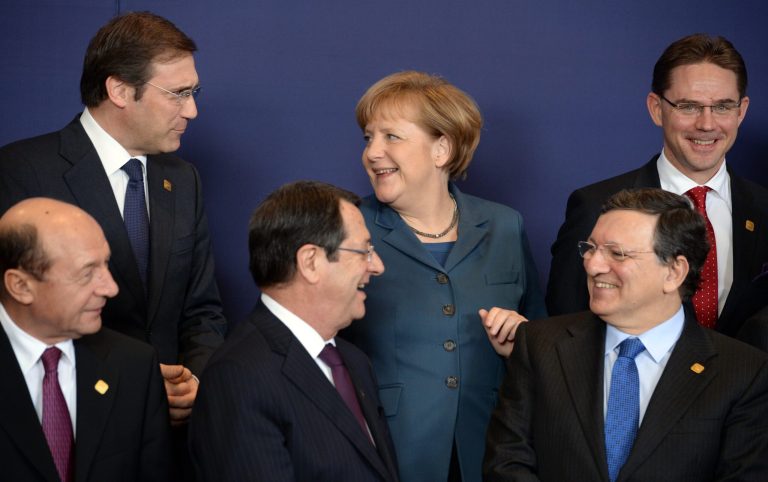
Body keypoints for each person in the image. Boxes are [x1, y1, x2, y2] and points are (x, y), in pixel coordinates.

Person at [0, 12, 226, 433]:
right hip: (71, 427)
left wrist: (195, 380)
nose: (192, 110)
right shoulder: (21, 172)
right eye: (178, 93)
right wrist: (132, 381)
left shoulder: (182, 179)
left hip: (171, 439)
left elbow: (203, 310)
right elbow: (16, 319)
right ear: (120, 90)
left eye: (194, 91)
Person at [341, 71, 547, 482]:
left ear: (441, 149)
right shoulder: (348, 227)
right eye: (368, 138)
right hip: (388, 452)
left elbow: (544, 339)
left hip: (493, 450)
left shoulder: (505, 225)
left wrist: (522, 342)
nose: (372, 152)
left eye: (391, 137)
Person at [485, 188, 768, 481]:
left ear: (673, 272)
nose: (593, 265)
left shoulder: (743, 373)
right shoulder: (540, 345)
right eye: (591, 248)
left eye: (617, 253)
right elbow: (507, 462)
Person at [546, 34, 768, 340]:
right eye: (689, 107)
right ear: (656, 108)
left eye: (722, 107)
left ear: (741, 111)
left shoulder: (763, 208)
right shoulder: (597, 205)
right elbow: (565, 332)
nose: (706, 124)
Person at [189, 181, 399, 481]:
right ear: (310, 262)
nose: (377, 266)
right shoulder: (238, 377)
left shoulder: (354, 362)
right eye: (364, 251)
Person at [0, 198, 172, 481]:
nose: (111, 288)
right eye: (87, 272)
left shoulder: (134, 367)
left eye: (106, 264)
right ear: (20, 286)